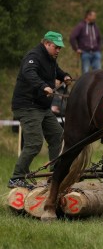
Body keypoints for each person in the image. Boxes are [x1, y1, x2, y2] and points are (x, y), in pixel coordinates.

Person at [8, 31, 72, 189]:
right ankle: (16, 178)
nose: (58, 50)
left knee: (57, 136)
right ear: (47, 44)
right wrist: (43, 86)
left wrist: (64, 76)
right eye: (56, 47)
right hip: (27, 106)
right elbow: (28, 73)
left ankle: (55, 174)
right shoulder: (34, 55)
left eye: (60, 48)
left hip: (42, 107)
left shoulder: (50, 58)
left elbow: (55, 70)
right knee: (34, 143)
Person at [70, 9, 102, 74]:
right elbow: (72, 37)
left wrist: (99, 48)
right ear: (88, 16)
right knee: (85, 72)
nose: (95, 17)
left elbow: (99, 38)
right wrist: (76, 49)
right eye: (94, 16)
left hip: (96, 52)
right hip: (85, 52)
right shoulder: (81, 26)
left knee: (98, 73)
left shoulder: (95, 26)